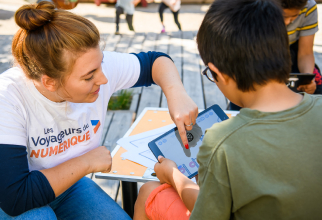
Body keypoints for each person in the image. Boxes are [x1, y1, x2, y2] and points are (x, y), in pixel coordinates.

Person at [0, 1, 198, 219]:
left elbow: (156, 62)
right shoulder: (3, 97)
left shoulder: (92, 66)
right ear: (49, 82)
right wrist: (86, 163)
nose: (104, 79)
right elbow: (15, 197)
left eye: (101, 64)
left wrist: (176, 93)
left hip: (67, 186)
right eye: (89, 76)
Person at [133, 0, 322, 219]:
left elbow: (205, 214)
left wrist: (173, 174)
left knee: (149, 192)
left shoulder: (222, 142)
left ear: (217, 72)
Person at [230, 0, 321, 110]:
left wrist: (307, 78)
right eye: (283, 16)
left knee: (316, 87)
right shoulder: (252, 7)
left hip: (290, 52)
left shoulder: (309, 7)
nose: (287, 22)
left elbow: (305, 53)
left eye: (294, 16)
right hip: (255, 51)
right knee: (244, 91)